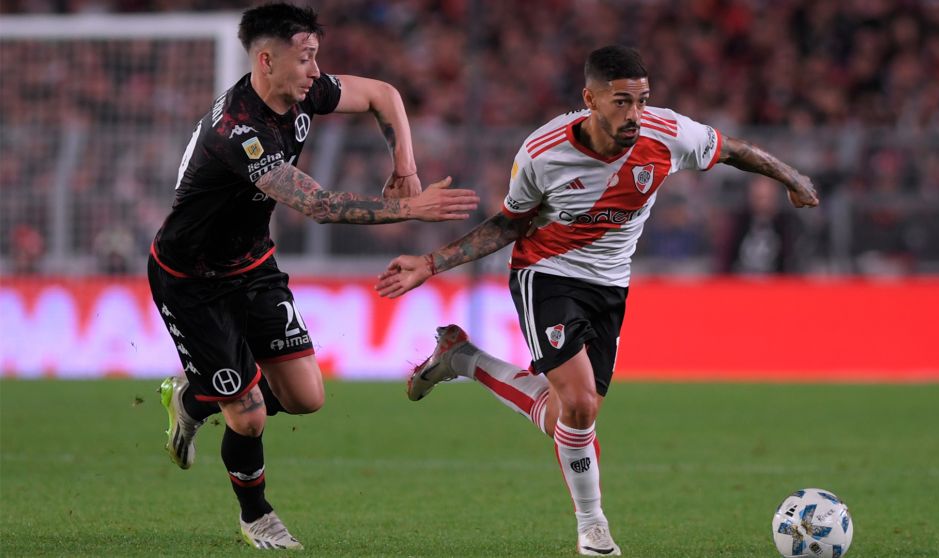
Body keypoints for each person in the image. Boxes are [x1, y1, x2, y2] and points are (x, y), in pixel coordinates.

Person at [374, 45, 818, 556]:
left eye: (643, 101)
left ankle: (463, 358)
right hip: (547, 273)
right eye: (621, 102)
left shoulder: (666, 134)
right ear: (590, 99)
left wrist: (791, 176)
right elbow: (509, 224)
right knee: (581, 406)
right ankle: (593, 527)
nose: (634, 115)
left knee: (565, 416)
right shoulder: (543, 152)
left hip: (610, 286)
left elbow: (733, 149)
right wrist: (430, 265)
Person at [148, 3, 478, 550]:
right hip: (191, 279)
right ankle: (257, 517)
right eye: (305, 59)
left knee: (304, 397)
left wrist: (406, 167)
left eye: (316, 57)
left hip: (252, 264)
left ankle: (193, 399)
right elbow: (319, 205)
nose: (314, 70)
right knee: (250, 415)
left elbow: (384, 95)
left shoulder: (303, 92)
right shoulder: (241, 131)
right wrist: (410, 208)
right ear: (266, 59)